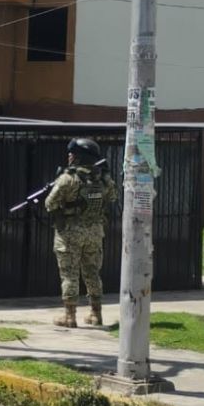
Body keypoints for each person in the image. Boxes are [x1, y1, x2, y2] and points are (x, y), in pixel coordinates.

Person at [44, 138, 118, 328]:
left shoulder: (68, 179)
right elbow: (113, 197)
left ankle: (69, 316)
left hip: (70, 233)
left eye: (72, 154)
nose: (69, 156)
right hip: (95, 232)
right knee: (93, 272)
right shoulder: (103, 179)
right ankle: (96, 313)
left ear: (79, 157)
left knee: (69, 274)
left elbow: (49, 203)